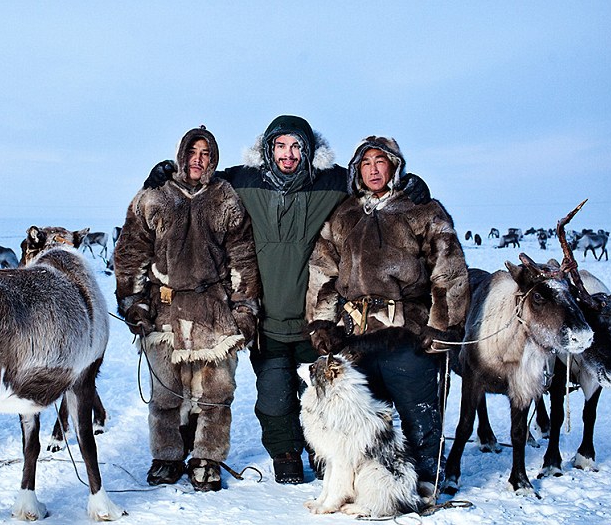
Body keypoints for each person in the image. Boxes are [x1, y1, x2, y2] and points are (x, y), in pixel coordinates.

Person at [146, 115, 430, 484]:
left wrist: (410, 185)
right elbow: (200, 179)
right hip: (268, 321)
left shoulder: (329, 183)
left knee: (324, 395)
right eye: (281, 146)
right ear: (268, 149)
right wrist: (164, 175)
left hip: (318, 320)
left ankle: (325, 455)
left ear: (308, 151)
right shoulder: (243, 181)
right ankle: (285, 454)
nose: (289, 154)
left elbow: (371, 180)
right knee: (273, 400)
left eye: (297, 147)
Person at [305, 135, 469, 501]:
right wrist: (321, 322)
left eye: (381, 161)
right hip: (354, 336)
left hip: (407, 333)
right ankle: (366, 483)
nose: (373, 169)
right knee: (361, 421)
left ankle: (425, 479)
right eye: (366, 163)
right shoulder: (344, 214)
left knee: (417, 415)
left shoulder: (423, 209)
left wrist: (443, 326)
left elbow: (449, 269)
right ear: (356, 170)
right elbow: (323, 271)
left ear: (394, 165)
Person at [114, 126, 261, 492]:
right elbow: (131, 251)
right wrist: (133, 302)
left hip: (214, 309)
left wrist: (244, 308)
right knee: (166, 393)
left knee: (215, 393)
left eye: (206, 154)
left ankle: (207, 458)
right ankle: (167, 457)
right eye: (193, 153)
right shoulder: (154, 196)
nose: (199, 160)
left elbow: (242, 256)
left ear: (214, 159)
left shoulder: (226, 198)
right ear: (182, 155)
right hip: (165, 310)